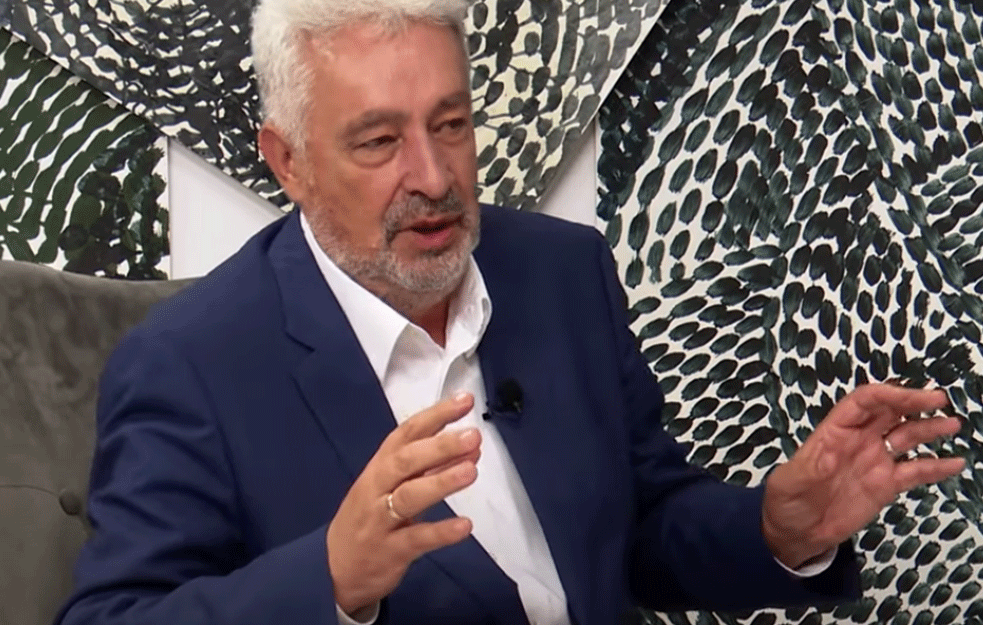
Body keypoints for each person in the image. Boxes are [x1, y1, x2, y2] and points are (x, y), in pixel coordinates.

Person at [55, 0, 966, 623]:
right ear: (286, 161)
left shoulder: (561, 273)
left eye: (450, 124)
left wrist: (776, 526)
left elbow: (641, 530)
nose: (433, 175)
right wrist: (329, 577)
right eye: (379, 140)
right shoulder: (190, 363)